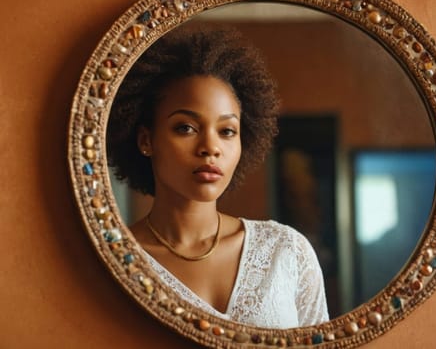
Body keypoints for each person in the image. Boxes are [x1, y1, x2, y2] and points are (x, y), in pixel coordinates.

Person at [107, 26, 329, 329]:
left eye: (227, 131)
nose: (211, 148)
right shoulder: (116, 263)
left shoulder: (286, 251)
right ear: (146, 140)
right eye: (186, 127)